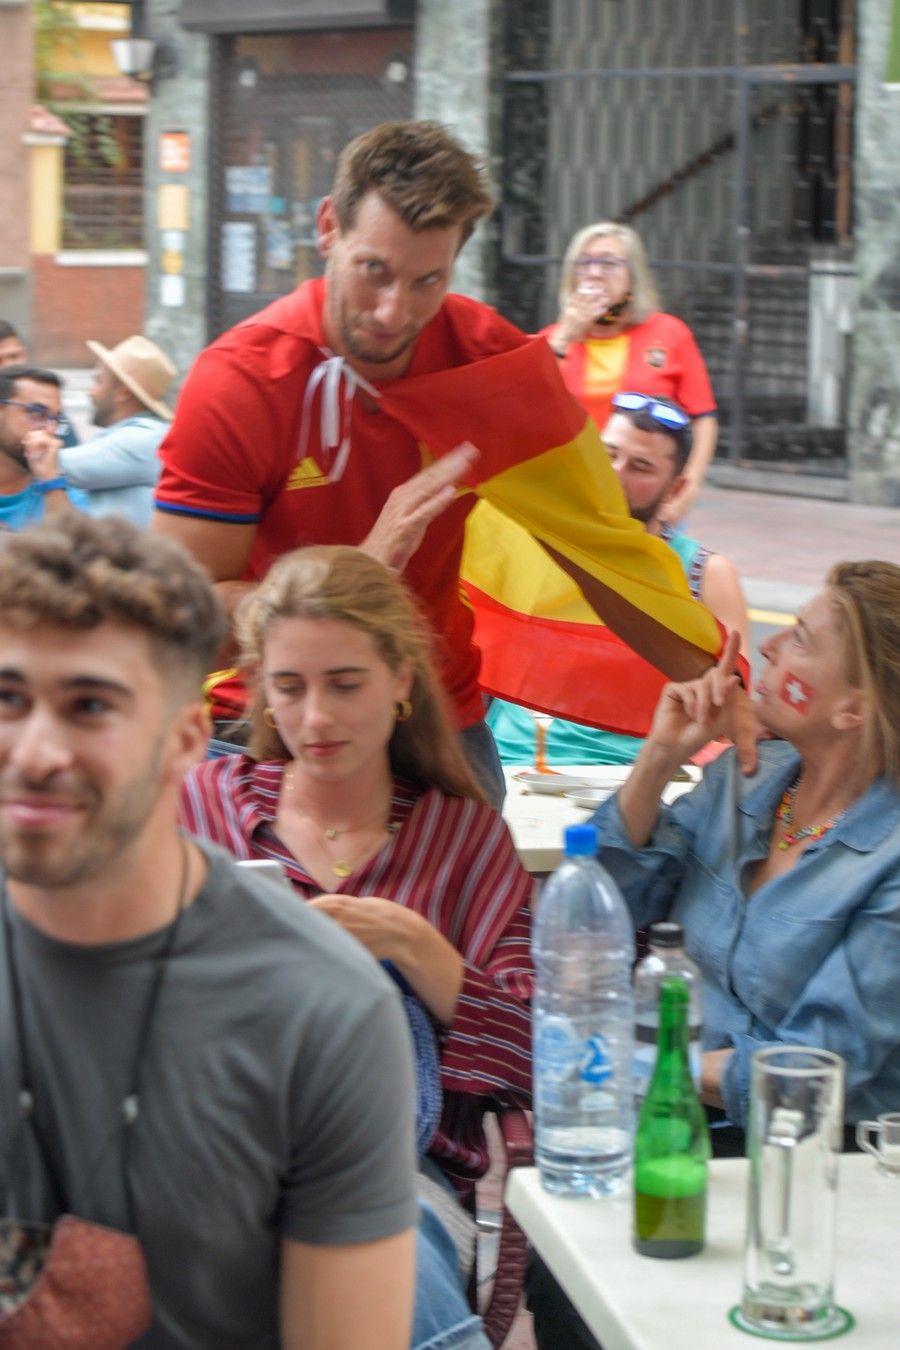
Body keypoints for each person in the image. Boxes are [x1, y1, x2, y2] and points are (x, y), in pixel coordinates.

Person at [152, 120, 753, 808]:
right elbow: (181, 618)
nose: (391, 311)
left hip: (433, 717)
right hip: (268, 714)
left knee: (480, 914)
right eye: (373, 270)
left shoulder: (487, 362)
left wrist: (722, 686)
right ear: (328, 229)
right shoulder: (242, 380)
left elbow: (604, 547)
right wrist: (352, 584)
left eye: (425, 281)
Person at [0, 514, 418, 1348]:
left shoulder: (323, 1011)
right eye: (7, 699)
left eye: (90, 706)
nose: (36, 751)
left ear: (186, 739)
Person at [529, 564, 900, 1350]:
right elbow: (608, 911)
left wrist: (647, 1061)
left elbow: (822, 1067)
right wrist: (661, 757)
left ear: (855, 708)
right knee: (558, 1272)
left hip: (796, 1167)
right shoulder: (745, 777)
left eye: (801, 640)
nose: (766, 653)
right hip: (673, 1115)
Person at [180, 544, 535, 1348]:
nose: (315, 720)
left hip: (393, 1171)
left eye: (345, 685)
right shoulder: (202, 807)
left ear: (402, 682)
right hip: (204, 1153)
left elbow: (542, 1057)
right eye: (289, 688)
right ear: (261, 693)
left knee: (379, 1236)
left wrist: (420, 950)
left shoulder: (464, 840)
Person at [488, 392, 748, 764]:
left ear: (675, 489)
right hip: (513, 764)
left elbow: (730, 718)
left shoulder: (705, 575)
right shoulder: (533, 540)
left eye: (640, 467)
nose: (615, 474)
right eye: (608, 455)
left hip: (629, 778)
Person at [544, 221, 717, 524]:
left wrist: (687, 488)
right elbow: (525, 404)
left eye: (609, 263)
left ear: (632, 276)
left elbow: (703, 419)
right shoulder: (552, 341)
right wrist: (567, 333)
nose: (595, 273)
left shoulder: (669, 332)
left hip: (644, 497)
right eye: (585, 263)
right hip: (570, 494)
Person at [54, 335, 176, 527]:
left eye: (98, 381)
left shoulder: (143, 438)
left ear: (123, 393)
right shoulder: (141, 435)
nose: (90, 391)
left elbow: (52, 465)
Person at [0, 364, 88, 528]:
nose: (50, 429)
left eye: (56, 419)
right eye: (36, 412)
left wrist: (50, 482)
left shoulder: (65, 496)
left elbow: (74, 550)